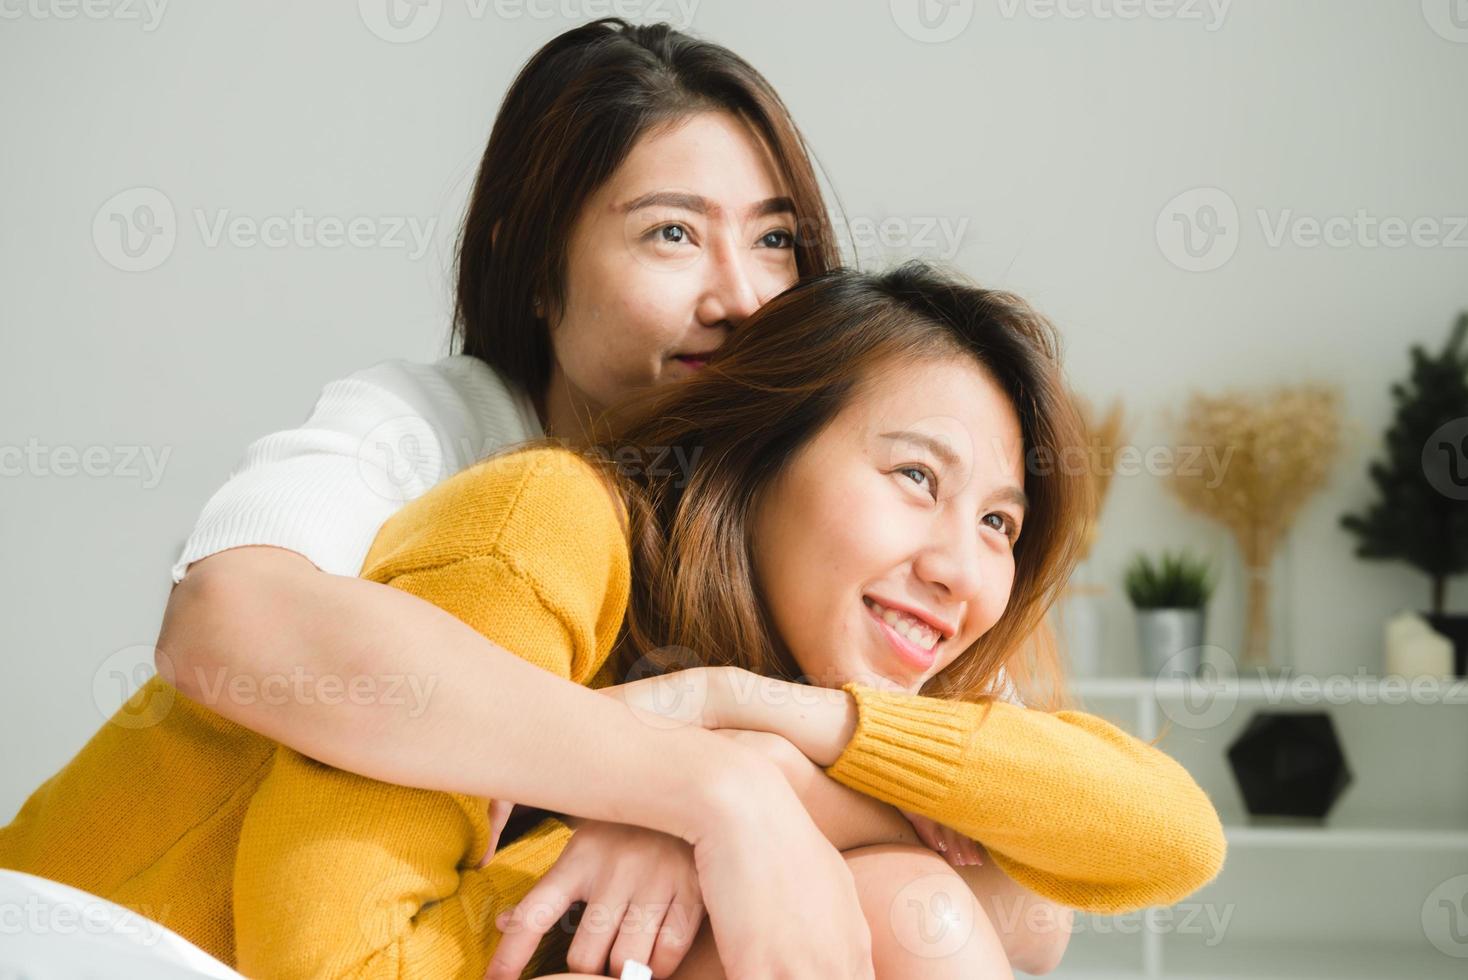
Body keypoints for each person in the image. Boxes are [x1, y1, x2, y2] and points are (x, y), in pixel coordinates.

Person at [1, 264, 1228, 979]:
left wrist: (743, 740)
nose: (960, 565)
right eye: (916, 477)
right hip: (96, 945)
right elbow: (335, 955)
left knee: (919, 898)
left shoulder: (827, 660)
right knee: (904, 895)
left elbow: (1165, 838)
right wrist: (709, 808)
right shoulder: (546, 516)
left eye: (1003, 524)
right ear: (758, 448)